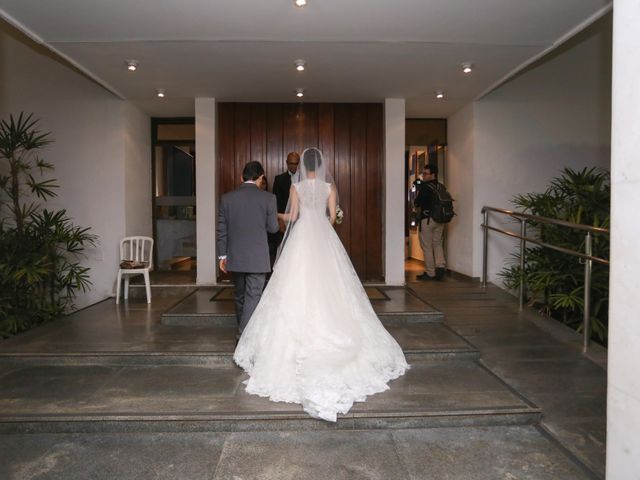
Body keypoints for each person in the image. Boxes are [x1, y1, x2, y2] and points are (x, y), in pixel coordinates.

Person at [234, 148, 408, 422]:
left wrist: (277, 215)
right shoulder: (329, 186)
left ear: (302, 166)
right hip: (324, 237)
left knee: (294, 282)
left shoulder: (297, 187)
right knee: (333, 284)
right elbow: (332, 217)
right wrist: (332, 217)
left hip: (302, 236)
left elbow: (291, 218)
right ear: (321, 165)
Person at [216, 161, 280, 337]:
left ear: (241, 177)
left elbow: (221, 229)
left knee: (239, 295)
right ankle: (243, 336)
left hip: (235, 256)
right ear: (260, 178)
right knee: (253, 295)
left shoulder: (227, 198)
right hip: (258, 257)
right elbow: (274, 228)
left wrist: (222, 256)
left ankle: (244, 331)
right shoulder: (268, 198)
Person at [415, 164, 446, 281]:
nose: (424, 176)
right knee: (437, 244)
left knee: (427, 246)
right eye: (423, 173)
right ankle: (440, 268)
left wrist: (418, 193)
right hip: (440, 220)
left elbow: (417, 203)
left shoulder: (425, 188)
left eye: (426, 174)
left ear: (433, 174)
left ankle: (430, 272)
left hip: (427, 220)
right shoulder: (441, 186)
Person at [268, 151, 300, 265]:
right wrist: (280, 221)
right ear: (286, 163)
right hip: (284, 220)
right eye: (291, 163)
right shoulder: (279, 179)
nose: (293, 166)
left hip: (301, 220)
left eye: (296, 163)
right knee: (285, 249)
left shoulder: (304, 180)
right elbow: (275, 202)